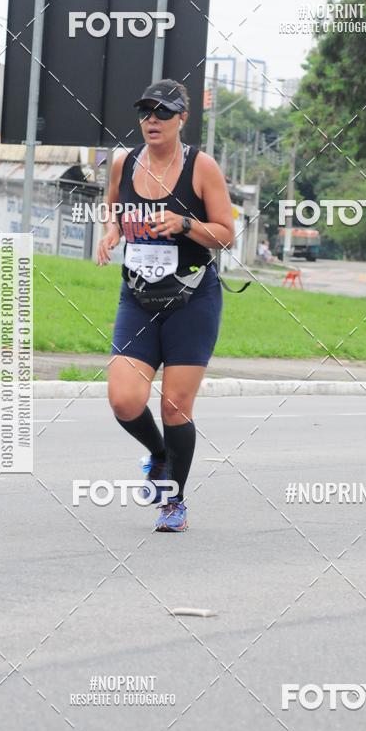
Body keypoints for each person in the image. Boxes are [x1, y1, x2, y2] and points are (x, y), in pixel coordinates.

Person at [97, 78, 235, 532]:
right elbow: (113, 205)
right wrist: (113, 230)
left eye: (162, 112)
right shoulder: (124, 161)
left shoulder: (201, 167)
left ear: (182, 118)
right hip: (138, 298)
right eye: (145, 112)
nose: (151, 120)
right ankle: (159, 454)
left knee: (175, 406)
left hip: (191, 300)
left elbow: (226, 234)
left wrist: (183, 223)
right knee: (123, 399)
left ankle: (173, 502)